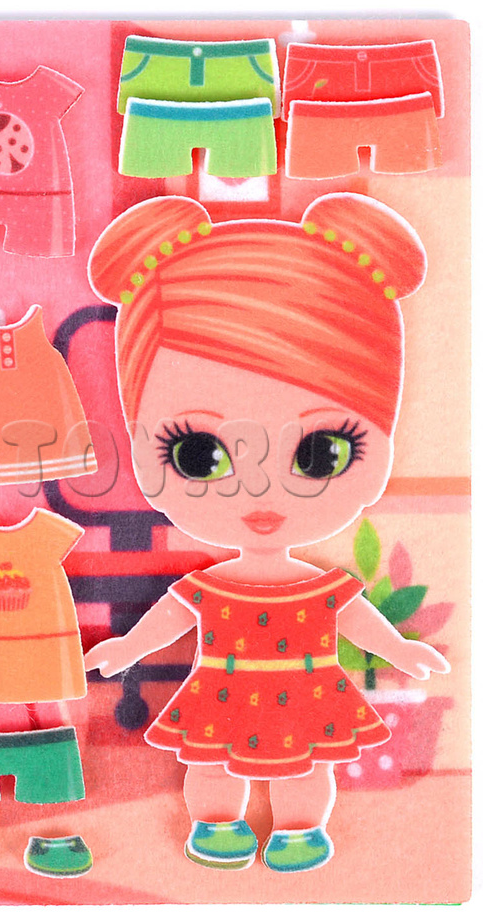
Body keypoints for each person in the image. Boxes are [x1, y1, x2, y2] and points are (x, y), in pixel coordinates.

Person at [82, 193, 449, 873]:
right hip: (223, 693)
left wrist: (397, 646)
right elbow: (172, 616)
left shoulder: (320, 587)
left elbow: (354, 618)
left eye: (321, 454)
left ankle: (300, 831)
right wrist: (130, 646)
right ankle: (216, 824)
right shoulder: (209, 587)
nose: (259, 494)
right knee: (213, 766)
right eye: (198, 455)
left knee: (304, 767)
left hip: (304, 693)